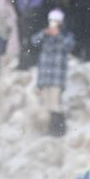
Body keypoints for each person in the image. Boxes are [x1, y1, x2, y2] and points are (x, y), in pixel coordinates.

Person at [33, 8, 76, 136]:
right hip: (45, 75)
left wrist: (58, 35)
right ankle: (50, 129)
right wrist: (44, 33)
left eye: (56, 21)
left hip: (57, 76)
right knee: (46, 104)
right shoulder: (45, 34)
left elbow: (69, 46)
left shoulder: (66, 35)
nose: (54, 23)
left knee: (56, 103)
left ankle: (59, 129)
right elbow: (34, 41)